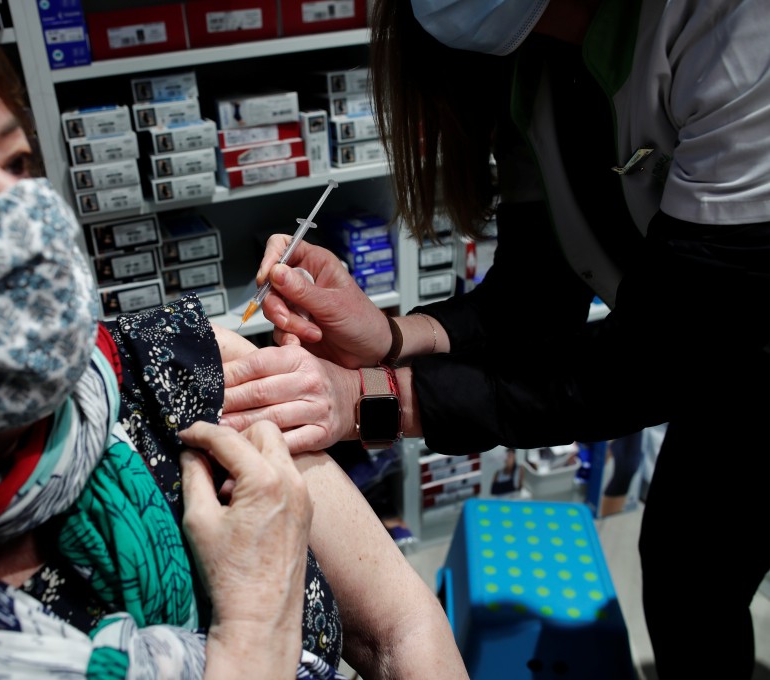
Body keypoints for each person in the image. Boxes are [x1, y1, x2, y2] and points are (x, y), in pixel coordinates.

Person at [0, 2, 470, 679]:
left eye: (15, 164)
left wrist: (384, 361)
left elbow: (403, 628)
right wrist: (251, 640)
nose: (25, 226)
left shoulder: (169, 363)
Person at [219, 0, 770, 677]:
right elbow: (537, 297)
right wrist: (387, 338)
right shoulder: (532, 58)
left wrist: (368, 399)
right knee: (689, 572)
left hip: (730, 343)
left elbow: (654, 361)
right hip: (719, 364)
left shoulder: (735, 29)